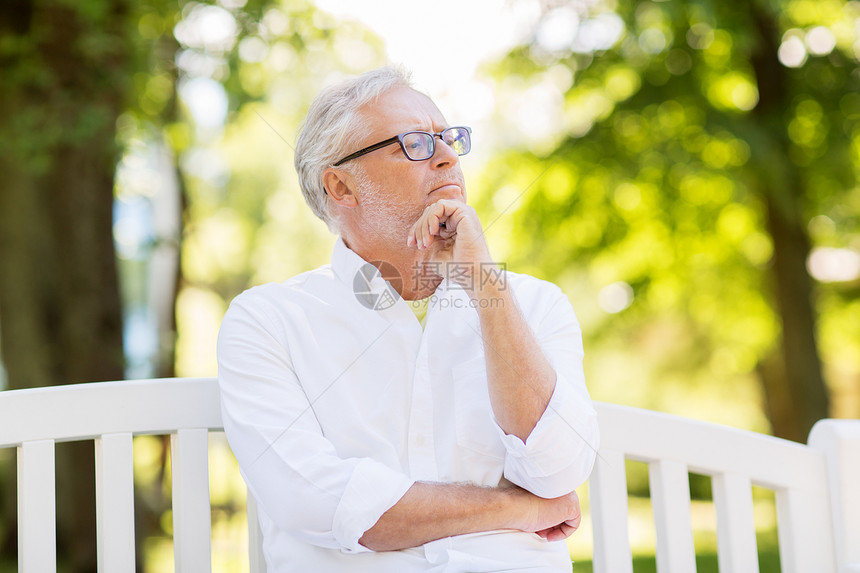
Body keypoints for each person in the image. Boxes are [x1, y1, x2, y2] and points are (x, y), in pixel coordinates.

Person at [217, 66, 600, 573]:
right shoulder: (267, 321)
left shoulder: (534, 305)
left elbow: (559, 471)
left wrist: (483, 279)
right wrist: (519, 509)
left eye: (449, 140)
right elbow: (315, 501)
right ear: (341, 186)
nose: (447, 157)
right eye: (416, 143)